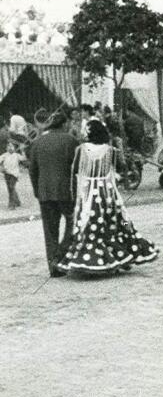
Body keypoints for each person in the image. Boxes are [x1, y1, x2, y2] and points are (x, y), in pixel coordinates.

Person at [56, 119, 158, 275]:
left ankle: (92, 259)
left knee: (89, 223)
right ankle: (117, 256)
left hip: (89, 191)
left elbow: (75, 170)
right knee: (113, 223)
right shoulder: (110, 151)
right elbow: (118, 168)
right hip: (107, 192)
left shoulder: (81, 150)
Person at [28, 111, 78, 277]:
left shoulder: (37, 142)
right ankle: (60, 256)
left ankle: (53, 267)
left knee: (50, 231)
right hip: (66, 191)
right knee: (73, 224)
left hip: (45, 192)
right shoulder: (70, 140)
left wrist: (37, 190)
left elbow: (32, 170)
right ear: (64, 124)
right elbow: (77, 167)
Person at [0, 140, 21, 209]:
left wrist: (23, 150)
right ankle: (17, 201)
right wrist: (1, 168)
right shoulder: (4, 155)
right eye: (8, 146)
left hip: (14, 174)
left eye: (12, 146)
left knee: (11, 187)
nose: (10, 148)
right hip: (7, 173)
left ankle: (12, 204)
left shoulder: (17, 155)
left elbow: (24, 159)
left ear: (14, 148)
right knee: (10, 188)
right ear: (6, 148)